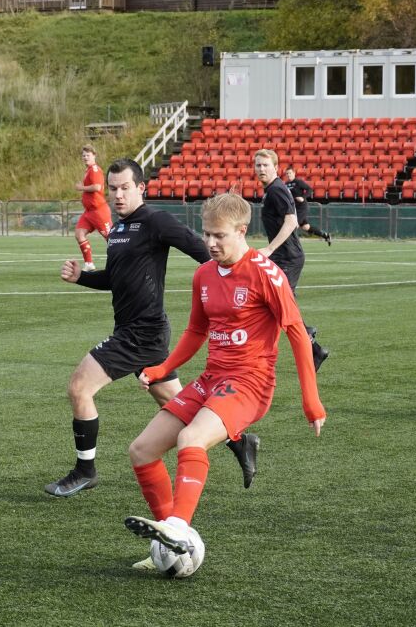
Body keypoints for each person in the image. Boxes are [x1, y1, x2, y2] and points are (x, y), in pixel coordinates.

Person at [123, 193, 326, 569]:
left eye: (219, 236)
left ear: (241, 231)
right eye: (206, 235)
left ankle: (179, 528)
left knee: (190, 439)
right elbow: (195, 331)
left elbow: (297, 333)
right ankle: (172, 542)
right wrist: (161, 368)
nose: (211, 243)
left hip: (250, 382)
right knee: (142, 450)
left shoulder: (266, 273)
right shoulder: (203, 274)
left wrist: (310, 400)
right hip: (211, 378)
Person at [46, 158, 259, 497]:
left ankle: (85, 471)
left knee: (79, 388)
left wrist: (234, 280)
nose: (117, 195)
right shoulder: (117, 230)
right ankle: (239, 441)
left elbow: (200, 249)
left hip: (141, 333)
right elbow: (117, 280)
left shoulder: (155, 220)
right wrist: (82, 277)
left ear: (141, 188)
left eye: (125, 188)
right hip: (138, 330)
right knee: (178, 407)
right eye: (112, 188)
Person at [256, 149, 329, 370]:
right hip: (282, 257)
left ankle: (310, 344)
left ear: (275, 167)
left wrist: (269, 249)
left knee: (281, 307)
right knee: (277, 305)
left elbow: (291, 222)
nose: (261, 169)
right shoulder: (272, 190)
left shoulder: (277, 190)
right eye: (257, 165)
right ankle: (312, 345)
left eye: (265, 165)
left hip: (288, 257)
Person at [74, 145, 112, 272]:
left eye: (88, 155)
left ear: (94, 155)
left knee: (112, 239)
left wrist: (81, 188)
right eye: (83, 155)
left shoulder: (95, 169)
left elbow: (97, 187)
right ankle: (89, 264)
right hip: (89, 212)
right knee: (79, 234)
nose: (85, 157)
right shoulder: (88, 170)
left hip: (99, 211)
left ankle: (126, 261)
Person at [286, 167, 332, 245]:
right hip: (294, 208)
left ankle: (291, 245)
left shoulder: (298, 182)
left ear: (294, 173)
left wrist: (303, 198)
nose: (288, 175)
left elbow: (309, 189)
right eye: (287, 173)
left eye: (290, 173)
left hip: (301, 207)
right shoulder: (286, 184)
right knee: (306, 227)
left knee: (293, 225)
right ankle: (325, 235)